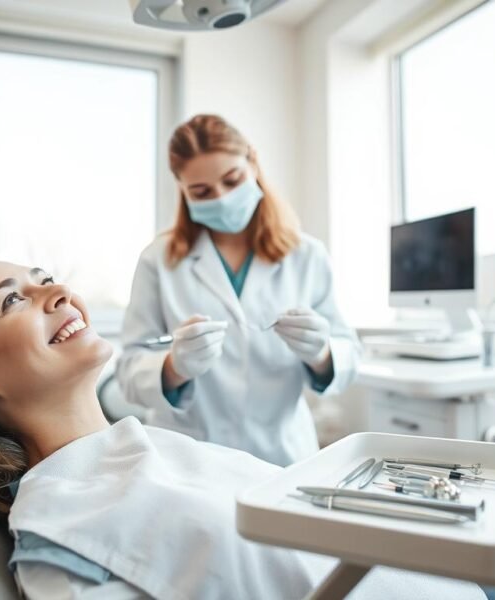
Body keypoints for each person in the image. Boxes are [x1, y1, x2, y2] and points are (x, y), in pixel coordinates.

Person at [0, 256, 486, 599]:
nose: (59, 291)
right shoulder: (60, 530)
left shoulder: (129, 449)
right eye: (14, 299)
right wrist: (172, 368)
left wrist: (325, 353)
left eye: (44, 277)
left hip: (444, 573)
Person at [116, 114, 361, 466]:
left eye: (233, 180)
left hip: (282, 457)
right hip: (188, 459)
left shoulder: (306, 256)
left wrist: (322, 352)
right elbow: (128, 372)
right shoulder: (159, 260)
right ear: (183, 191)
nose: (222, 198)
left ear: (253, 163)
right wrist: (174, 367)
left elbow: (349, 355)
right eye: (201, 192)